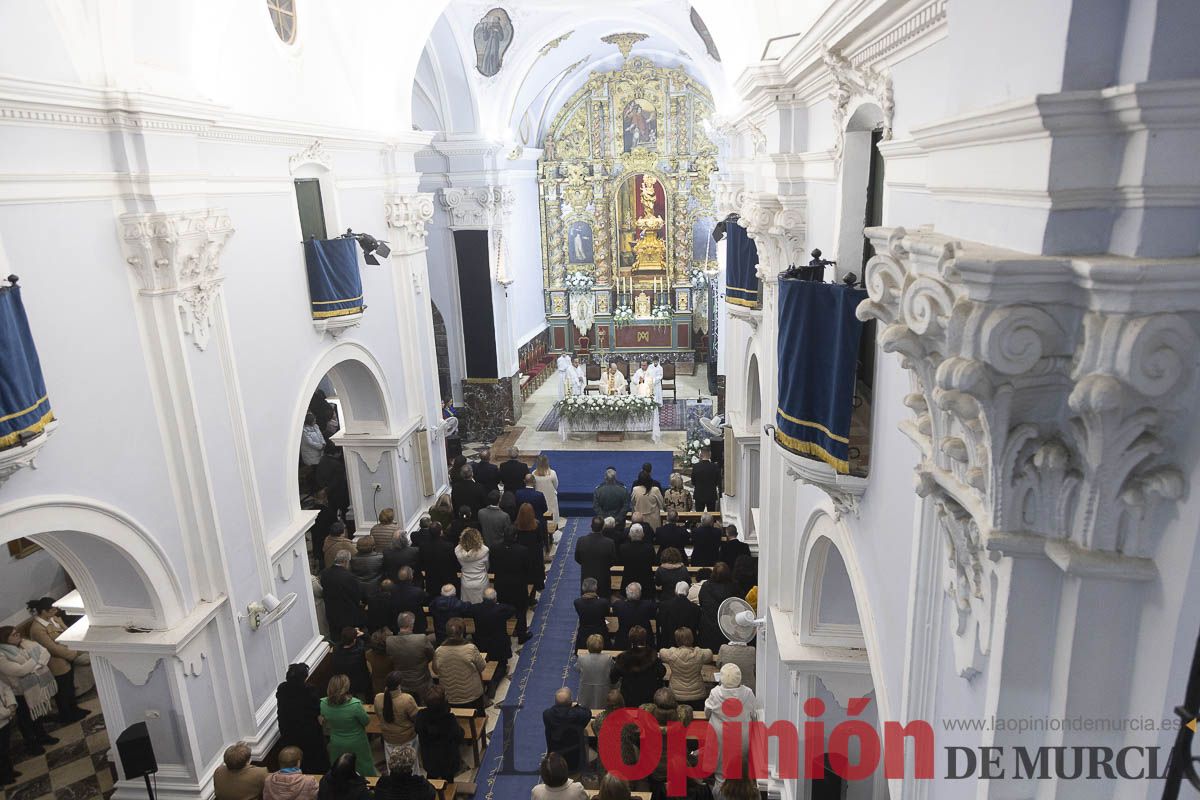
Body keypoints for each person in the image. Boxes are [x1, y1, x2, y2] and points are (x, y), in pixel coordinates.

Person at [25, 598, 87, 722]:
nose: (56, 611)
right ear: (44, 611)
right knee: (63, 691)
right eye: (53, 610)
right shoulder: (37, 629)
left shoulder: (53, 619)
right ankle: (67, 715)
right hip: (57, 662)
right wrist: (73, 654)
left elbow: (66, 631)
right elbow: (52, 648)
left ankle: (75, 709)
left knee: (70, 686)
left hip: (68, 655)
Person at [0, 625, 58, 755]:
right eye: (14, 635)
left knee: (37, 714)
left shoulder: (25, 644)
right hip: (19, 691)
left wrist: (34, 664)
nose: (18, 636)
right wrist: (34, 660)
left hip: (33, 686)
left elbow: (44, 652)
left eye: (17, 633)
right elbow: (19, 671)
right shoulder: (2, 655)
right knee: (26, 719)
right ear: (5, 639)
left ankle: (42, 736)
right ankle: (32, 743)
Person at [705, 664, 757, 797]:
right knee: (739, 768)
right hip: (741, 735)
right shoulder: (748, 693)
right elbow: (754, 714)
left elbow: (707, 712)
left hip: (720, 736)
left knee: (721, 771)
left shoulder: (715, 693)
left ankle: (720, 794)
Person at [276, 663, 330, 774]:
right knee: (313, 760)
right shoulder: (309, 690)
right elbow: (316, 708)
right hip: (308, 732)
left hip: (289, 730)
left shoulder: (282, 689)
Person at [320, 675, 375, 776]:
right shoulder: (355, 705)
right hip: (357, 742)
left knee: (339, 770)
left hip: (336, 742)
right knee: (363, 768)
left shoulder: (323, 704)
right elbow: (366, 721)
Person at [490, 530, 534, 643]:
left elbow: (492, 567)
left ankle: (505, 636)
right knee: (520, 611)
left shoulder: (495, 549)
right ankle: (521, 635)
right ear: (515, 537)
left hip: (501, 585)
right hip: (518, 586)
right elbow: (528, 568)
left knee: (503, 610)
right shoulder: (522, 550)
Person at [431, 619, 486, 708]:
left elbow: (436, 671)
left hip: (449, 696)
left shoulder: (438, 651)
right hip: (471, 696)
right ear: (462, 632)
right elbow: (482, 667)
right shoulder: (470, 648)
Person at [659, 628, 715, 712]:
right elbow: (709, 653)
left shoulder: (671, 653)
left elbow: (661, 652)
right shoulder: (699, 653)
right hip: (697, 694)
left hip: (676, 695)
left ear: (677, 640)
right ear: (691, 638)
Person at [414, 687, 463, 780]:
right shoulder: (449, 719)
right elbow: (459, 736)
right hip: (448, 760)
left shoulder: (421, 716)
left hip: (430, 759)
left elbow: (416, 729)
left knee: (431, 777)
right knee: (448, 780)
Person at [375, 671, 420, 772]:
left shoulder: (378, 698)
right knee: (411, 766)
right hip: (407, 738)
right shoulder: (407, 699)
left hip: (388, 737)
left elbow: (379, 716)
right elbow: (416, 718)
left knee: (391, 765)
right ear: (399, 685)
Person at [385, 613, 434, 703]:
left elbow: (390, 660)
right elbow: (431, 655)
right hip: (422, 682)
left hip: (401, 683)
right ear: (412, 625)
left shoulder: (389, 641)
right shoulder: (421, 638)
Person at [609, 626, 664, 708]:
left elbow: (613, 678)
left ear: (630, 640)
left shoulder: (623, 658)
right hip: (649, 698)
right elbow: (662, 672)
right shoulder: (652, 656)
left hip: (628, 698)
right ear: (645, 639)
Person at [541, 689, 592, 774]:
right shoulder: (578, 715)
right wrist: (576, 706)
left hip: (555, 758)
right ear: (570, 702)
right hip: (575, 759)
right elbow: (587, 712)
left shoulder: (547, 715)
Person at [465, 588, 516, 674]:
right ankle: (501, 670)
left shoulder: (475, 608)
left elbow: (466, 611)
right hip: (498, 643)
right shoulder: (501, 609)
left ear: (483, 598)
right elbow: (512, 609)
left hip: (481, 642)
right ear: (495, 599)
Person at [321, 551, 366, 634]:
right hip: (347, 614)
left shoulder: (325, 573)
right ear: (346, 562)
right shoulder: (349, 577)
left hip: (331, 612)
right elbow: (357, 595)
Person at [698, 562, 738, 651]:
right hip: (727, 629)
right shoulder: (734, 587)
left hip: (708, 629)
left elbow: (701, 602)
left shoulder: (706, 586)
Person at [575, 516, 617, 593]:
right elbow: (613, 561)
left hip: (587, 577)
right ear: (603, 527)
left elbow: (577, 558)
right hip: (603, 578)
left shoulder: (581, 540)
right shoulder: (609, 543)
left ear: (591, 526)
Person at [574, 634, 614, 709]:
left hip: (586, 689)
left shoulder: (582, 658)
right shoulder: (608, 658)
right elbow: (612, 668)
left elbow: (577, 669)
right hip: (603, 689)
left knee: (585, 709)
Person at [515, 503, 547, 596]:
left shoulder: (516, 525)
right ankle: (536, 588)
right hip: (535, 553)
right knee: (535, 571)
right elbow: (540, 539)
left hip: (521, 552)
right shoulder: (536, 525)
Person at [611, 583, 656, 649]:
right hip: (645, 641)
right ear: (640, 594)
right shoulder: (648, 605)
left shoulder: (619, 605)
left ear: (626, 594)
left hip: (624, 642)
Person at [387, 567, 429, 635]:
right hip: (417, 626)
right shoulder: (417, 592)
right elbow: (426, 601)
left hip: (397, 625)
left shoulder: (392, 591)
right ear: (411, 577)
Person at [657, 582, 701, 648]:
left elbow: (660, 626)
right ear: (688, 592)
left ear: (675, 591)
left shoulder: (664, 606)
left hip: (668, 645)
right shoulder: (695, 608)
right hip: (689, 646)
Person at [419, 526, 459, 597]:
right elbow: (454, 563)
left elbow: (422, 563)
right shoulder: (449, 546)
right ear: (441, 532)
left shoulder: (423, 547)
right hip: (447, 580)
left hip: (432, 581)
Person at [618, 525, 657, 597]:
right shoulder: (649, 548)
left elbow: (620, 562)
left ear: (629, 535)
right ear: (643, 535)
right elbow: (654, 561)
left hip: (629, 581)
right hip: (647, 582)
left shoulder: (623, 548)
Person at [454, 527, 489, 603]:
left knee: (467, 606)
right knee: (481, 605)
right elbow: (487, 566)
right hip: (481, 581)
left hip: (466, 581)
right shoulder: (484, 550)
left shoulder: (458, 551)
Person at [573, 577, 610, 649]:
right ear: (595, 588)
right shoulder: (603, 602)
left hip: (584, 634)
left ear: (583, 588)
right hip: (601, 633)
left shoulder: (577, 602)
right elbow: (606, 613)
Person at [300, 413, 326, 493]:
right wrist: (319, 446)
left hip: (319, 451)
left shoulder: (316, 426)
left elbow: (320, 435)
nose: (315, 421)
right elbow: (309, 442)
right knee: (314, 471)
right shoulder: (303, 430)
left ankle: (319, 485)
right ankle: (314, 487)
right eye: (314, 420)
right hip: (310, 454)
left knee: (319, 469)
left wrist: (323, 443)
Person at [533, 454, 561, 527]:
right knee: (552, 513)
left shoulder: (533, 473)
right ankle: (553, 528)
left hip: (539, 497)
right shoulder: (552, 473)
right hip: (550, 496)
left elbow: (534, 486)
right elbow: (556, 485)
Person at [690, 448, 721, 512]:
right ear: (710, 455)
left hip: (699, 494)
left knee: (698, 514)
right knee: (711, 514)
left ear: (701, 455)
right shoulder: (715, 467)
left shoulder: (696, 466)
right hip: (711, 495)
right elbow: (718, 481)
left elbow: (693, 482)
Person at [0, 680, 17, 786]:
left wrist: (11, 704)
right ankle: (4, 776)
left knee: (5, 748)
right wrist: (8, 712)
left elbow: (5, 687)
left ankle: (9, 771)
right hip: (3, 717)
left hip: (5, 720)